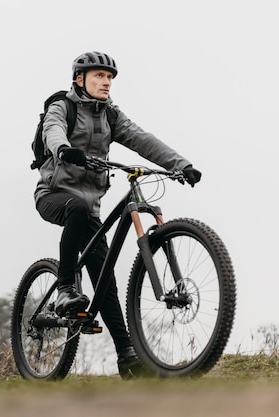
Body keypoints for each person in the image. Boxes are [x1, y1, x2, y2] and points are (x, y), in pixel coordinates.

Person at [34, 51, 202, 378]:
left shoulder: (110, 115)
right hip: (54, 195)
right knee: (78, 208)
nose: (106, 82)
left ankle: (127, 355)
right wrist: (64, 149)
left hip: (89, 207)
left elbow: (141, 139)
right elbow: (52, 131)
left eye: (110, 77)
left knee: (104, 276)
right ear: (80, 79)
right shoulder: (62, 107)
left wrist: (180, 164)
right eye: (99, 76)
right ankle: (66, 285)